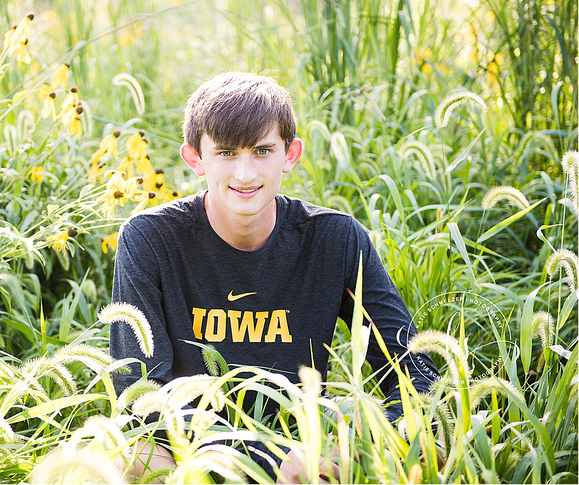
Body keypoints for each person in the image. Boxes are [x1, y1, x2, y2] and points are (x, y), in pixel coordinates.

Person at [109, 72, 438, 482]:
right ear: (194, 159)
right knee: (136, 459)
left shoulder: (334, 239)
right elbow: (138, 395)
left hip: (308, 451)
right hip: (191, 452)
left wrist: (355, 439)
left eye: (262, 151)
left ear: (290, 154)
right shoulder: (150, 238)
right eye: (226, 153)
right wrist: (264, 457)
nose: (245, 174)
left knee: (420, 443)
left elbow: (418, 375)